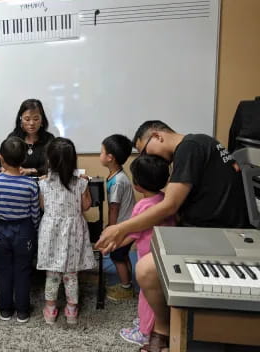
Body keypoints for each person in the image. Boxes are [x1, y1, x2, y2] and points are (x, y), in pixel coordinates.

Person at [96, 120, 250, 352]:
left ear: (157, 136)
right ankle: (165, 330)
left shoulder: (189, 147)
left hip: (216, 235)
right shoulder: (199, 144)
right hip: (206, 231)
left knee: (146, 270)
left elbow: (169, 205)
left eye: (145, 150)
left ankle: (163, 330)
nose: (146, 156)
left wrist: (121, 228)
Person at [36, 137, 96, 325]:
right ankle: (71, 310)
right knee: (71, 274)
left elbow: (43, 206)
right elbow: (86, 206)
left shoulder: (43, 183)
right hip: (73, 232)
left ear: (49, 161)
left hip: (51, 231)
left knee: (52, 274)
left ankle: (51, 309)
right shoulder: (81, 183)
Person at [117, 154, 175, 346]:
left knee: (147, 296)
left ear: (137, 184)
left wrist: (114, 242)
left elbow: (133, 232)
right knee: (155, 295)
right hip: (164, 256)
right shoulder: (166, 200)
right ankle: (146, 324)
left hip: (148, 261)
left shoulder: (142, 205)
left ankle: (144, 332)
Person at [0, 137, 40, 323]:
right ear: (24, 159)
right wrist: (33, 230)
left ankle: (5, 309)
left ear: (1, 159)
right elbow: (35, 213)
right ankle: (23, 311)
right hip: (24, 230)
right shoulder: (31, 184)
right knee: (23, 270)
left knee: (3, 270)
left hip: (1, 230)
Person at [99, 134, 136, 300]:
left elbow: (114, 207)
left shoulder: (118, 182)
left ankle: (126, 289)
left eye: (102, 152)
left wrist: (111, 228)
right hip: (126, 225)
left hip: (121, 226)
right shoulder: (117, 175)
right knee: (123, 255)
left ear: (110, 157)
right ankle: (128, 283)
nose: (100, 155)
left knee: (117, 257)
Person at [0, 99, 54, 176]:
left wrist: (31, 171)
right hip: (16, 184)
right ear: (21, 119)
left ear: (42, 119)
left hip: (41, 185)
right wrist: (5, 169)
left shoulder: (49, 139)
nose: (32, 123)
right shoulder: (13, 137)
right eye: (27, 119)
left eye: (36, 119)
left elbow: (52, 167)